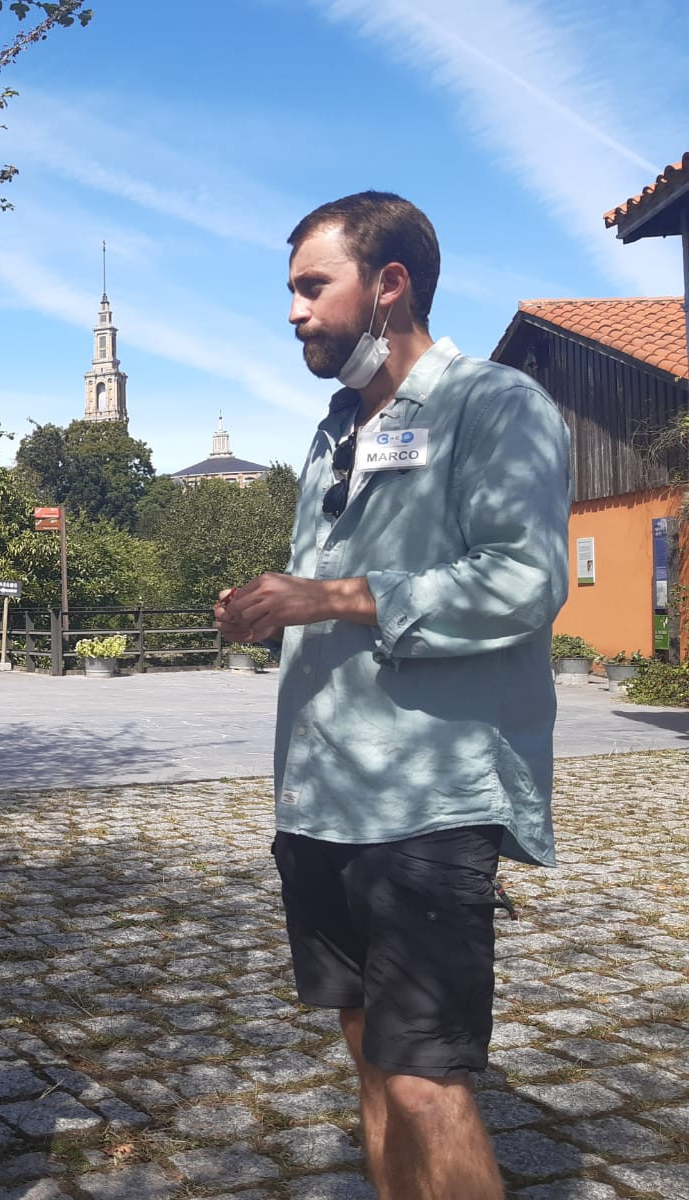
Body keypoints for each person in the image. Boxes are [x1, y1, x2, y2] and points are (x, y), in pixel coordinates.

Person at [215, 192, 570, 1200]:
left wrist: (325, 593)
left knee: (425, 1081)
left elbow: (524, 578)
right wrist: (269, 609)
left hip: (431, 799)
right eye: (291, 290)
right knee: (372, 1061)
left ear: (389, 285)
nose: (292, 311)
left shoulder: (494, 407)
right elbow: (334, 598)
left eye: (310, 286)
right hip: (323, 797)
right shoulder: (333, 431)